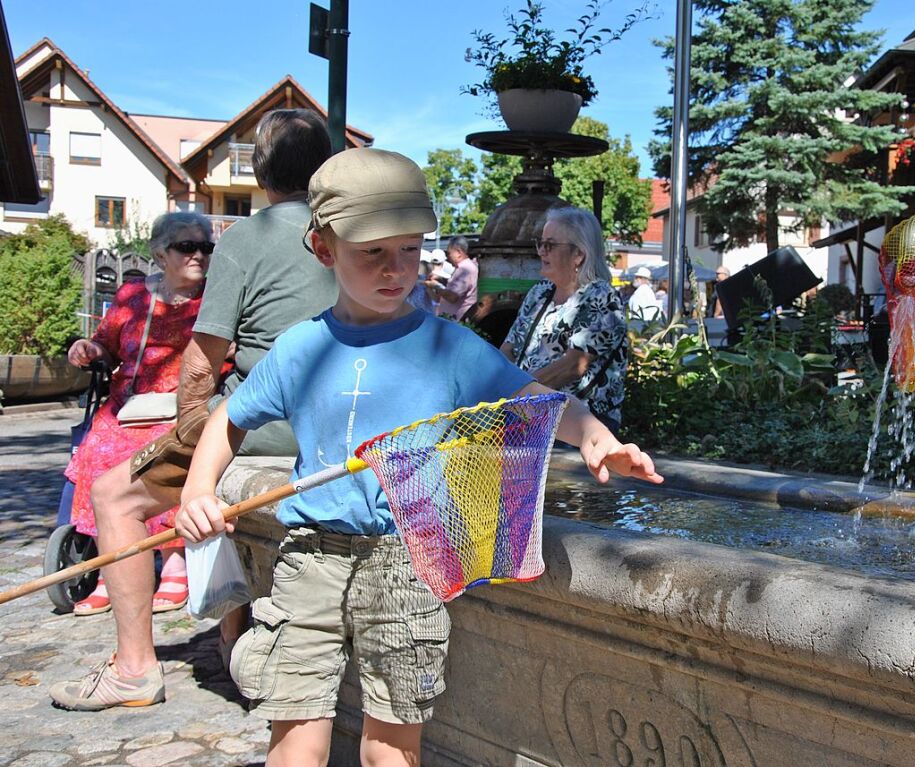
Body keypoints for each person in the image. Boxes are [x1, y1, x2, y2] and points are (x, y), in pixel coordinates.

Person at [174, 148, 662, 767]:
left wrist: (597, 438)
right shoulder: (301, 347)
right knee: (296, 740)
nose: (395, 269)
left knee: (390, 745)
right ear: (324, 249)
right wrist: (198, 490)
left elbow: (535, 400)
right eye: (371, 252)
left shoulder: (447, 346)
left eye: (408, 249)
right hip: (307, 562)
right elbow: (228, 418)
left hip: (408, 560)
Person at [50, 108, 336, 712]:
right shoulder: (348, 234)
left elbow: (202, 365)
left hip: (261, 424)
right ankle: (232, 631)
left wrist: (190, 434)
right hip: (341, 424)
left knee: (112, 495)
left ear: (259, 169)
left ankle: (133, 669)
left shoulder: (247, 239)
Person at [63, 212, 215, 616]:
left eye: (206, 247)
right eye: (187, 247)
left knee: (160, 452)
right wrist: (89, 350)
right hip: (129, 404)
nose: (199, 255)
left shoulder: (215, 298)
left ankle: (175, 561)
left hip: (186, 407)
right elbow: (104, 345)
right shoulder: (134, 297)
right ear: (160, 253)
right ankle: (108, 570)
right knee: (97, 448)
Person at [500, 206, 628, 433]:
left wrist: (517, 393)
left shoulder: (601, 296)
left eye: (549, 245)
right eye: (540, 243)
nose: (541, 251)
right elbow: (508, 349)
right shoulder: (540, 292)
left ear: (578, 254)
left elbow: (573, 366)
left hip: (578, 424)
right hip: (528, 417)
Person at [426, 235, 477, 319]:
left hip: (457, 320)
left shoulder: (465, 269)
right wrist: (441, 279)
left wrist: (434, 286)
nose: (447, 257)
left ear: (458, 253)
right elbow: (456, 288)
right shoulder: (467, 267)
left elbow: (452, 297)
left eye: (449, 253)